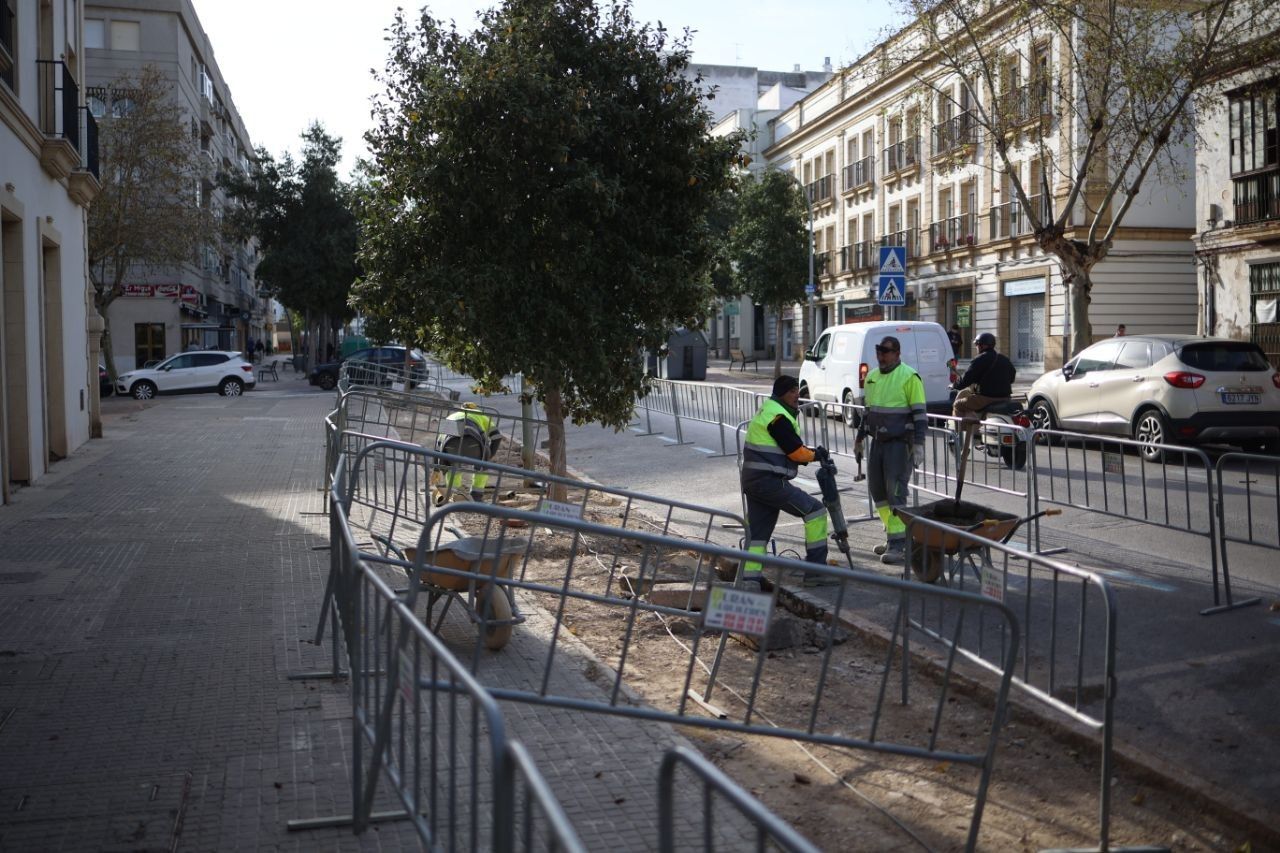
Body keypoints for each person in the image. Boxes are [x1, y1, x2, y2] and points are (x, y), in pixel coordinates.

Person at [739, 375, 830, 588]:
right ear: (781, 394)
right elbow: (796, 453)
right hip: (768, 481)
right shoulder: (777, 417)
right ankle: (816, 572)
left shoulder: (771, 410)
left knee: (759, 533)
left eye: (797, 390)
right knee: (815, 512)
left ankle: (749, 579)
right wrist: (817, 454)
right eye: (792, 391)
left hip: (755, 481)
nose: (797, 395)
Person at [855, 336, 928, 565]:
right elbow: (867, 412)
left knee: (895, 492)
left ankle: (900, 545)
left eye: (885, 352)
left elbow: (919, 415)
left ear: (897, 353)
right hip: (877, 442)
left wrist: (918, 444)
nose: (881, 356)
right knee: (878, 491)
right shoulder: (873, 377)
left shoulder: (909, 376)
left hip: (899, 443)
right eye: (879, 352)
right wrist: (859, 438)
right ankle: (892, 536)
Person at [433, 403, 503, 503]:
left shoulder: (451, 417)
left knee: (453, 466)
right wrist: (488, 456)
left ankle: (453, 495)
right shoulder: (480, 415)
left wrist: (436, 469)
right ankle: (476, 496)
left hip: (451, 446)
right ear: (476, 408)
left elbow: (438, 445)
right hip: (473, 445)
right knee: (482, 467)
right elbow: (496, 437)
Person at [951, 332, 1016, 421]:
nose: (976, 347)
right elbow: (1012, 378)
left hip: (985, 399)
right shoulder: (1004, 359)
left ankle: (962, 434)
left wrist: (954, 385)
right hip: (1005, 398)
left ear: (982, 346)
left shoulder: (980, 359)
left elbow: (966, 379)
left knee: (958, 405)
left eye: (977, 345)